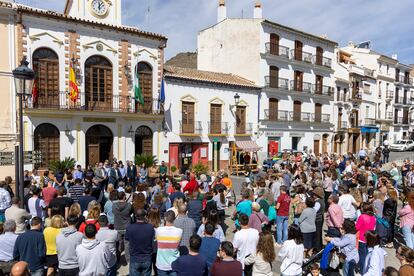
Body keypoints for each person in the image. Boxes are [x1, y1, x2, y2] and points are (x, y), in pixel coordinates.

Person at [126, 209, 155, 276]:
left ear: (135, 216)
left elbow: (127, 239)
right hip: (147, 258)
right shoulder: (150, 227)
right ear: (145, 216)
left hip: (134, 258)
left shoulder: (130, 228)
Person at [156, 210, 183, 276]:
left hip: (161, 265)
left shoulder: (158, 230)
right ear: (174, 219)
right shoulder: (179, 231)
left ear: (165, 218)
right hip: (174, 264)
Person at [356, 203, 376, 273]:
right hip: (370, 238)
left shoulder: (362, 216)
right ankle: (366, 269)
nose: (360, 208)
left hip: (362, 238)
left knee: (362, 256)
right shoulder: (373, 217)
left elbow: (357, 227)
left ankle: (362, 271)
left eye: (362, 207)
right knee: (367, 255)